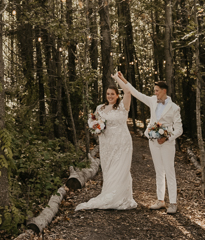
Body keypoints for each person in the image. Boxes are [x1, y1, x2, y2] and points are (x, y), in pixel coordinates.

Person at [114, 72, 183, 215]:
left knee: (169, 171)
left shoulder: (174, 108)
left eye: (157, 91)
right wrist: (123, 79)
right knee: (159, 171)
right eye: (154, 91)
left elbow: (179, 129)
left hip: (167, 143)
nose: (155, 93)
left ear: (164, 91)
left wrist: (167, 138)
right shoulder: (152, 100)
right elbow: (136, 93)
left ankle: (173, 203)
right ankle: (160, 200)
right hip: (153, 141)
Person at [75, 83, 137, 211]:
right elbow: (92, 120)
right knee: (109, 168)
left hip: (122, 143)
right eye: (108, 94)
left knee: (120, 169)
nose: (110, 96)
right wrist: (95, 126)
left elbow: (128, 92)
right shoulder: (100, 108)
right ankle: (109, 193)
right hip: (106, 144)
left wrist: (119, 79)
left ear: (117, 95)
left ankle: (121, 198)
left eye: (112, 94)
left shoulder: (122, 106)